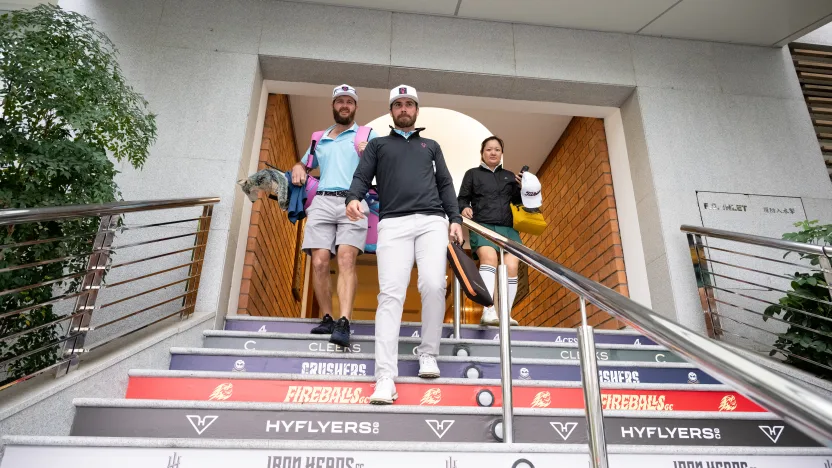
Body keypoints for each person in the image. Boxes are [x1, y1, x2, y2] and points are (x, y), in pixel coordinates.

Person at [345, 84, 463, 404]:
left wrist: (455, 219)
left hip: (431, 221)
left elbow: (445, 183)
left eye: (409, 104)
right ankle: (385, 376)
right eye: (398, 105)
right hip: (393, 223)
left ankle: (428, 353)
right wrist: (354, 197)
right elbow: (361, 175)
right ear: (392, 111)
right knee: (390, 295)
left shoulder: (431, 145)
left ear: (416, 110)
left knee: (433, 284)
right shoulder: (378, 145)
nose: (403, 109)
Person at [292, 84, 379, 348]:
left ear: (355, 107)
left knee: (345, 258)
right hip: (321, 202)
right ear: (333, 106)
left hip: (353, 201)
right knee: (318, 262)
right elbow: (306, 163)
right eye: (340, 101)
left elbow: (384, 168)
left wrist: (369, 155)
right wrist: (297, 167)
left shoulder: (367, 135)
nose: (344, 105)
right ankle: (328, 317)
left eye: (349, 102)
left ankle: (344, 321)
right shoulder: (319, 137)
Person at [457, 136, 530, 326]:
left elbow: (519, 203)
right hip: (483, 226)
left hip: (508, 228)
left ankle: (505, 312)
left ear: (501, 154)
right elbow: (462, 198)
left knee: (512, 267)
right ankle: (488, 310)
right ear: (482, 152)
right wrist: (464, 207)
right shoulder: (472, 174)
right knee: (489, 260)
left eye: (497, 149)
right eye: (489, 149)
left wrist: (523, 188)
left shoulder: (509, 176)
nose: (493, 152)